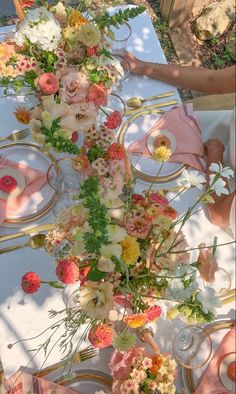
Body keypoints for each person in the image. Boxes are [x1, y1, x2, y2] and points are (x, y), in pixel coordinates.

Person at [123, 52, 236, 237]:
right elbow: (212, 80)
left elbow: (219, 214)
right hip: (221, 134)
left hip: (220, 201)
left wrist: (215, 153)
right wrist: (143, 67)